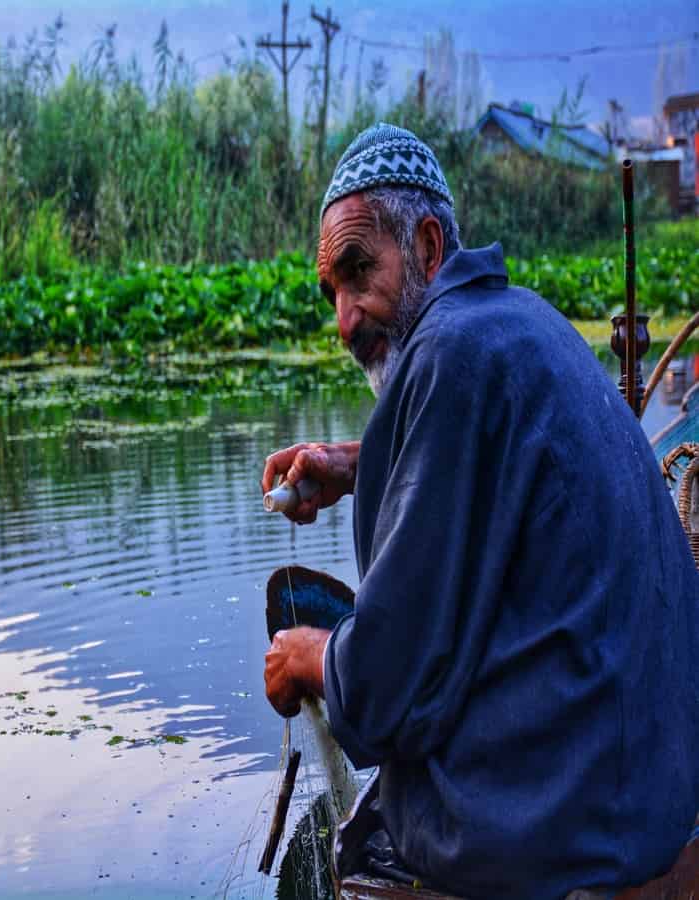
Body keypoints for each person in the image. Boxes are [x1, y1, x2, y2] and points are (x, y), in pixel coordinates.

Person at [260, 123, 699, 900]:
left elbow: (388, 686)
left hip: (570, 831)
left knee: (387, 808)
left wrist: (310, 656)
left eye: (359, 272)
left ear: (428, 246)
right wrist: (357, 465)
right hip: (653, 801)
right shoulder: (520, 319)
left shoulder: (450, 356)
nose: (345, 319)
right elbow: (494, 463)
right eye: (332, 292)